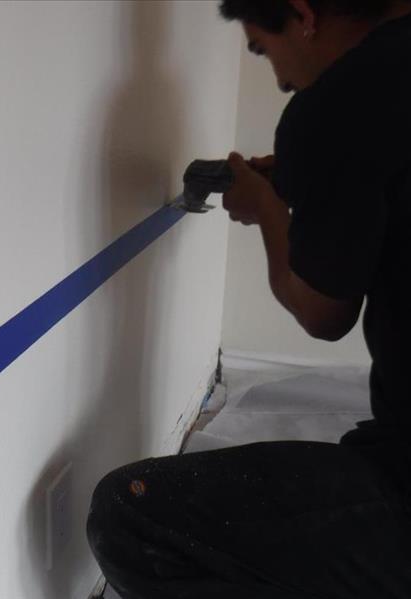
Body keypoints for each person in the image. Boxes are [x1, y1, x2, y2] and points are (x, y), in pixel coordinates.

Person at [85, 1, 411, 597]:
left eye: (263, 50)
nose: (282, 79)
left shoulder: (345, 98)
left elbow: (322, 312)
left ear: (302, 14)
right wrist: (301, 174)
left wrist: (266, 211)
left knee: (129, 516)